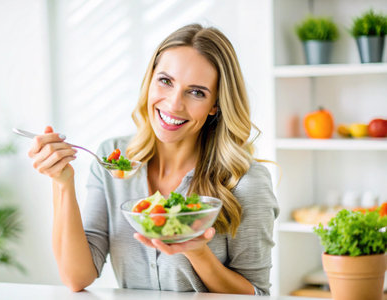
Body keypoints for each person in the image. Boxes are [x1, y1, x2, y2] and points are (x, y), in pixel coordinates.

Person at [27, 23, 279, 295]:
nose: (173, 104)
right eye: (166, 81)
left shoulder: (245, 183)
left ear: (215, 105)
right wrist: (61, 182)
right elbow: (77, 277)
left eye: (196, 92)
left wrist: (198, 252)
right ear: (150, 80)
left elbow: (257, 294)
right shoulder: (112, 160)